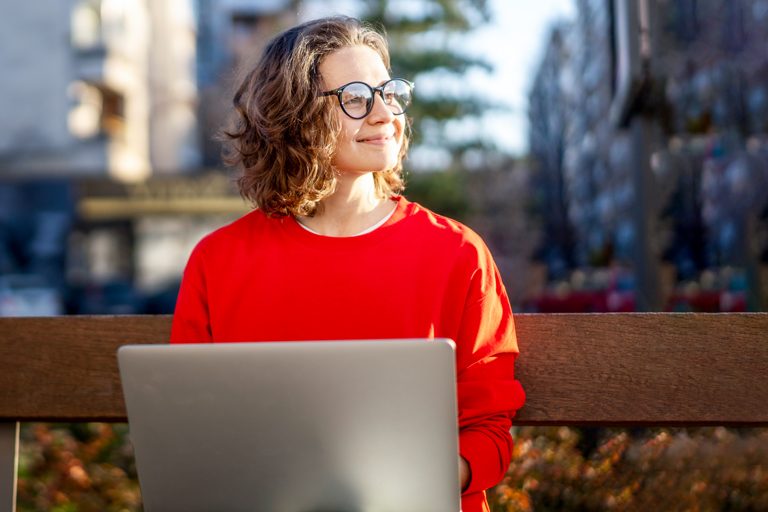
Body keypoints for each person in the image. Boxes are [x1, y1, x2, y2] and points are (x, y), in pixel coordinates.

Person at [170, 15, 525, 512]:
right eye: (357, 98)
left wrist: (428, 472)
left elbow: (489, 430)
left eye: (391, 93)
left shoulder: (459, 254)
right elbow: (189, 430)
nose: (385, 114)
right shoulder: (218, 262)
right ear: (292, 116)